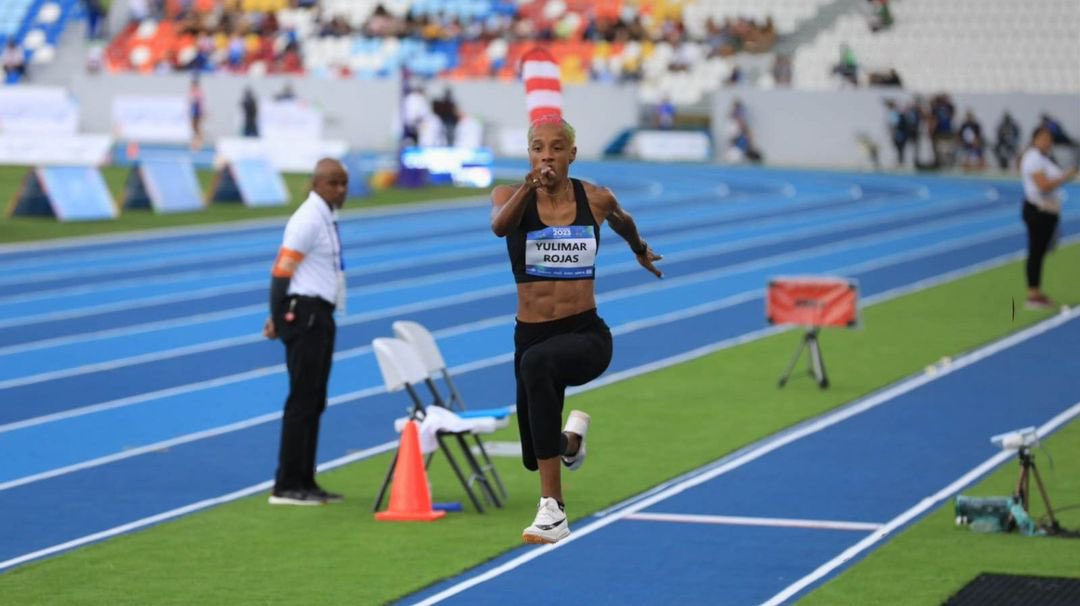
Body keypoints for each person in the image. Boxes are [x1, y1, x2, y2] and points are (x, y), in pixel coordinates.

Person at [490, 115, 662, 544]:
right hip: (530, 334)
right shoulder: (510, 196)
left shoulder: (596, 198)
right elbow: (499, 227)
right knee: (536, 451)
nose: (545, 155)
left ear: (572, 154)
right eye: (536, 148)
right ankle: (571, 443)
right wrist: (530, 186)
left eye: (554, 147)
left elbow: (622, 219)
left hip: (586, 335)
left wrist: (639, 249)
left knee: (537, 365)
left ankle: (553, 511)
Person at [262, 158, 350, 505]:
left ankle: (305, 480)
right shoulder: (308, 219)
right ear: (315, 183)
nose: (340, 190)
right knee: (301, 400)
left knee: (314, 401)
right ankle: (286, 484)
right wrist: (278, 315)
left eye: (343, 183)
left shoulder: (327, 215)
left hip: (321, 314)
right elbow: (281, 273)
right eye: (333, 183)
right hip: (307, 315)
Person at [1020, 126, 1078, 310]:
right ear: (1034, 139)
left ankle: (1035, 291)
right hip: (1038, 211)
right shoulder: (1033, 158)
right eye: (1043, 138)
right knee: (1036, 252)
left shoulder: (1044, 158)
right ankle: (1032, 294)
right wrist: (1064, 177)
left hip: (1047, 211)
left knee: (1040, 251)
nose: (1047, 142)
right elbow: (1043, 185)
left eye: (1049, 139)